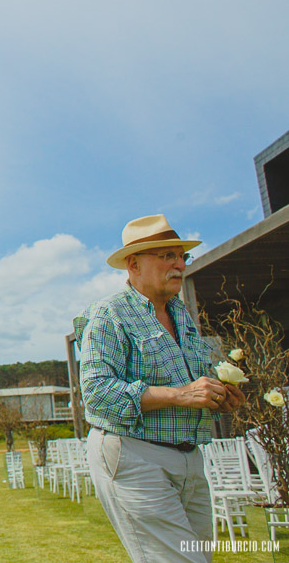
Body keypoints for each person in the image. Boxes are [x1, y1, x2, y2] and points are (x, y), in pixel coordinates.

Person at [73, 214, 246, 563]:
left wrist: (217, 394)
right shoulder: (109, 314)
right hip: (135, 455)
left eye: (182, 256)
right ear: (133, 264)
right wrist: (183, 395)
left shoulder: (181, 314)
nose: (178, 265)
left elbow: (194, 381)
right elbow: (96, 393)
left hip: (191, 460)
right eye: (167, 256)